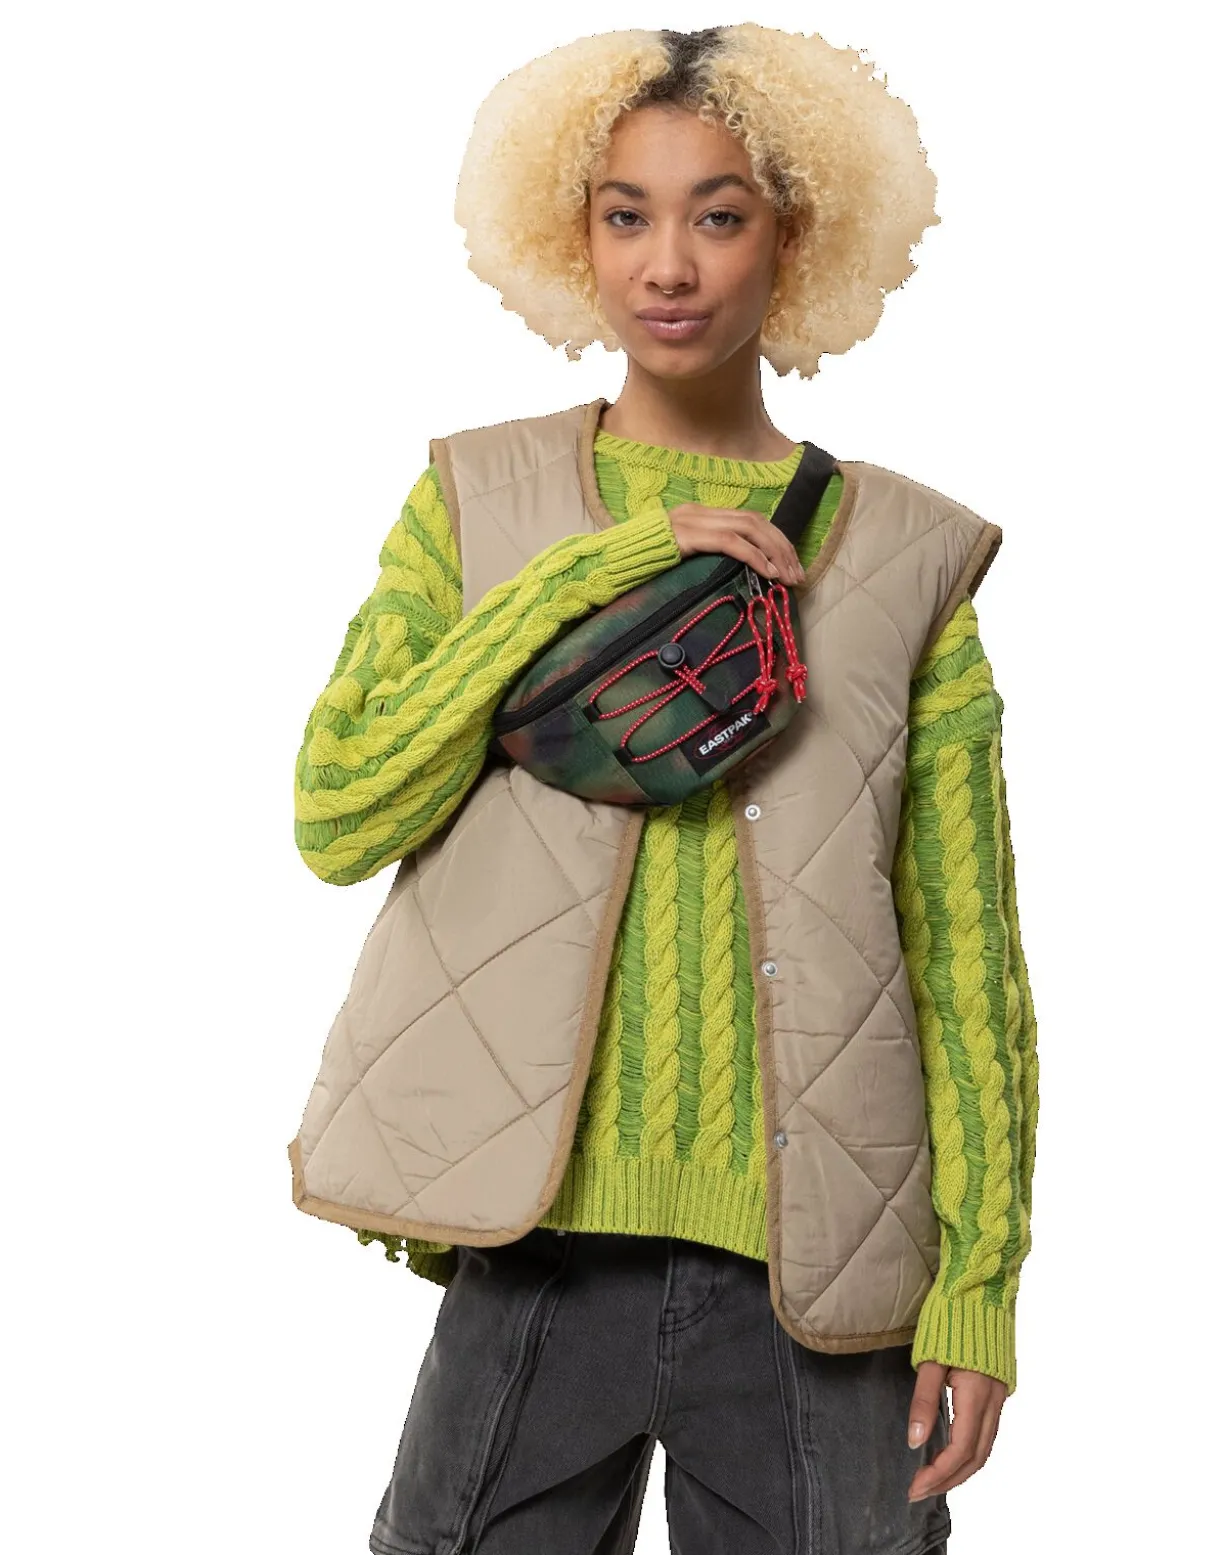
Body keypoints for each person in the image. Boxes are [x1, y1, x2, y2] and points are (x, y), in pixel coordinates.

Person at [289, 23, 1040, 1555]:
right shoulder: (476, 503)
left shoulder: (907, 560)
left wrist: (979, 1286)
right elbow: (340, 808)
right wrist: (600, 570)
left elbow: (969, 962)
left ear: (796, 236)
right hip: (540, 1246)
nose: (670, 263)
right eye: (626, 213)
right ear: (574, 234)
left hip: (821, 1276)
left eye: (720, 213)